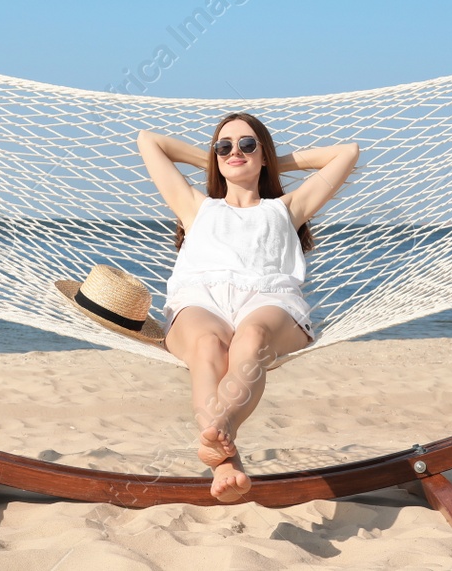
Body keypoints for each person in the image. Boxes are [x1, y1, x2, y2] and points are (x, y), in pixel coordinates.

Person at [136, 114, 360, 502]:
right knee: (208, 344)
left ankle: (222, 427)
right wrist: (219, 159)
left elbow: (347, 152)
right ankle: (224, 462)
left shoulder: (287, 209)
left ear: (264, 155)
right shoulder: (195, 206)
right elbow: (149, 140)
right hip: (200, 298)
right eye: (224, 146)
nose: (234, 152)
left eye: (248, 144)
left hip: (269, 299)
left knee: (251, 337)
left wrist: (272, 159)